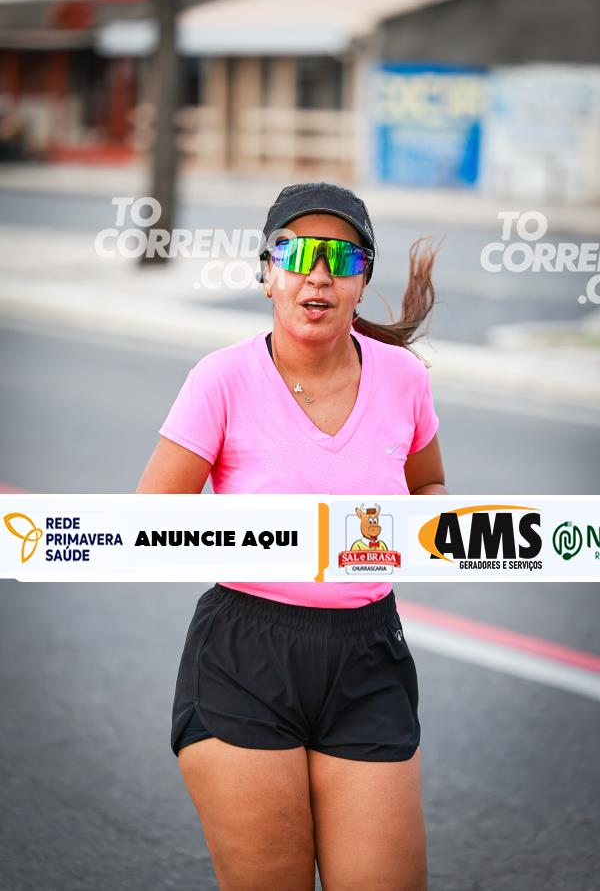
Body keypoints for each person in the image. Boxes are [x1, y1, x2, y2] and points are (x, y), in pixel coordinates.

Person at [136, 182, 447, 891]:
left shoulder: (403, 378)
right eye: (298, 254)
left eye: (343, 258)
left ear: (362, 281)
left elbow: (429, 486)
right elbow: (151, 518)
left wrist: (419, 534)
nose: (319, 275)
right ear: (268, 273)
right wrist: (274, 537)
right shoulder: (220, 379)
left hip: (370, 656)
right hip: (245, 657)